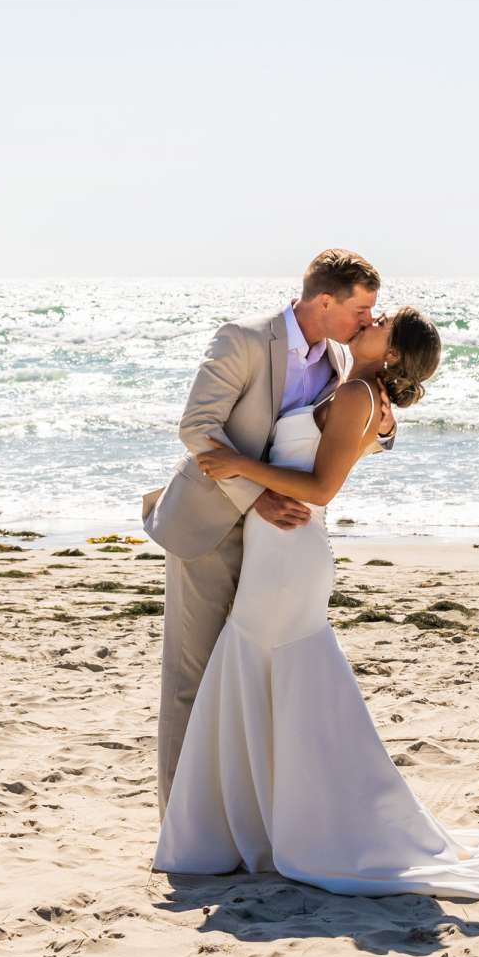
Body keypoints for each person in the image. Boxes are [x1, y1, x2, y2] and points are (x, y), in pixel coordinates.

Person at [152, 302, 479, 899]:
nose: (373, 318)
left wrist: (236, 465)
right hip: (282, 552)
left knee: (264, 673)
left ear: (395, 353)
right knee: (268, 681)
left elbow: (323, 487)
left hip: (288, 553)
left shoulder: (358, 393)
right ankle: (261, 825)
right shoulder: (352, 385)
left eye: (384, 321)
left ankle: (266, 829)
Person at [141, 249, 381, 812]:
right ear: (326, 300)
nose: (368, 320)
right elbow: (197, 429)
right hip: (210, 526)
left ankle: (244, 815)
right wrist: (259, 497)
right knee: (193, 676)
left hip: (279, 547)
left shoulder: (341, 366)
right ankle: (180, 821)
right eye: (362, 308)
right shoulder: (244, 339)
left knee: (253, 677)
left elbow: (344, 435)